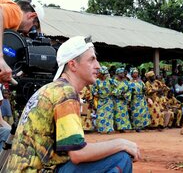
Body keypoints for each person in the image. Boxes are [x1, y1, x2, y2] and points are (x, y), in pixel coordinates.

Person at [6, 36, 141, 172]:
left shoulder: (53, 88)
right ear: (73, 65)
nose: (98, 66)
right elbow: (78, 154)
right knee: (121, 157)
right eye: (91, 60)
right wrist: (121, 143)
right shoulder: (65, 93)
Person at [0, 0, 44, 83]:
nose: (27, 33)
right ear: (32, 16)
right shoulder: (16, 12)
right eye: (33, 28)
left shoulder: (8, 25)